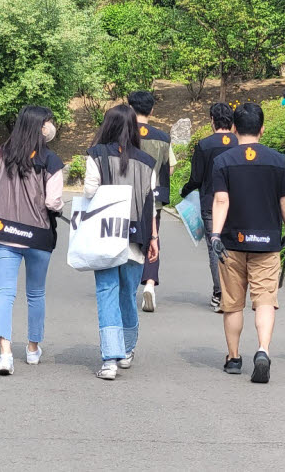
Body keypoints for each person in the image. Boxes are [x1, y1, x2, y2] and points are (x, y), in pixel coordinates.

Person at [210, 102, 285, 384]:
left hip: (232, 242)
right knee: (265, 301)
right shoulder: (277, 160)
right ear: (262, 129)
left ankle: (233, 358)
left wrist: (215, 234)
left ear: (234, 128)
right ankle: (262, 350)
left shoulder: (223, 161)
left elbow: (222, 200)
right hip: (267, 243)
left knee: (233, 304)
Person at [0, 105, 64, 376]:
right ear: (41, 127)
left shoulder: (3, 153)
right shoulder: (51, 160)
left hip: (5, 231)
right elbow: (53, 201)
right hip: (38, 235)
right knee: (36, 293)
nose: (51, 127)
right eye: (49, 122)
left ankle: (5, 353)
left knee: (5, 293)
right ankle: (32, 349)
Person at [84, 104, 159, 380]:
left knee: (106, 292)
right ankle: (126, 350)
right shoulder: (147, 162)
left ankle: (110, 360)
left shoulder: (96, 155)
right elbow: (152, 203)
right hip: (137, 237)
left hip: (105, 236)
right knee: (127, 293)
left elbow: (90, 191)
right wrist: (154, 238)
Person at [180, 103, 237, 312]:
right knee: (235, 246)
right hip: (237, 202)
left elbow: (196, 178)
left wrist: (184, 192)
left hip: (211, 202)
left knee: (215, 246)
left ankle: (219, 292)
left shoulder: (204, 145)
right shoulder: (240, 143)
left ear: (212, 120)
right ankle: (234, 291)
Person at [128, 91, 177, 313]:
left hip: (125, 197)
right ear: (152, 110)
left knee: (127, 239)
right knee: (152, 239)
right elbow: (172, 166)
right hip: (153, 198)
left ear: (130, 108)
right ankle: (149, 284)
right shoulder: (163, 137)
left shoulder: (123, 133)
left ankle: (127, 285)